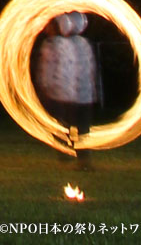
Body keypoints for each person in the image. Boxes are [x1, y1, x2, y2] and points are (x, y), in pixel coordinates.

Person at [35, 11, 97, 170]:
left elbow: (47, 69)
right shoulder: (83, 43)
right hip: (83, 95)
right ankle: (84, 159)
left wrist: (44, 87)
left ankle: (65, 156)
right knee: (82, 128)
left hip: (59, 93)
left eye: (49, 24)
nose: (46, 27)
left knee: (61, 126)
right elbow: (90, 69)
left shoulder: (52, 44)